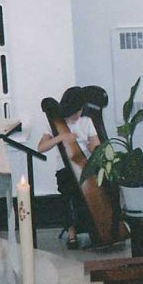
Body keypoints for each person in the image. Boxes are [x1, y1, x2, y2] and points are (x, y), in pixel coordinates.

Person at [38, 86, 101, 249]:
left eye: (79, 111)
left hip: (86, 168)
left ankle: (96, 229)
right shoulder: (56, 124)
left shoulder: (86, 122)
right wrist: (61, 137)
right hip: (65, 170)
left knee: (93, 189)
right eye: (75, 111)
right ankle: (72, 233)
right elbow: (41, 147)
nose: (77, 114)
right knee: (70, 191)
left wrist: (91, 146)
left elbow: (97, 146)